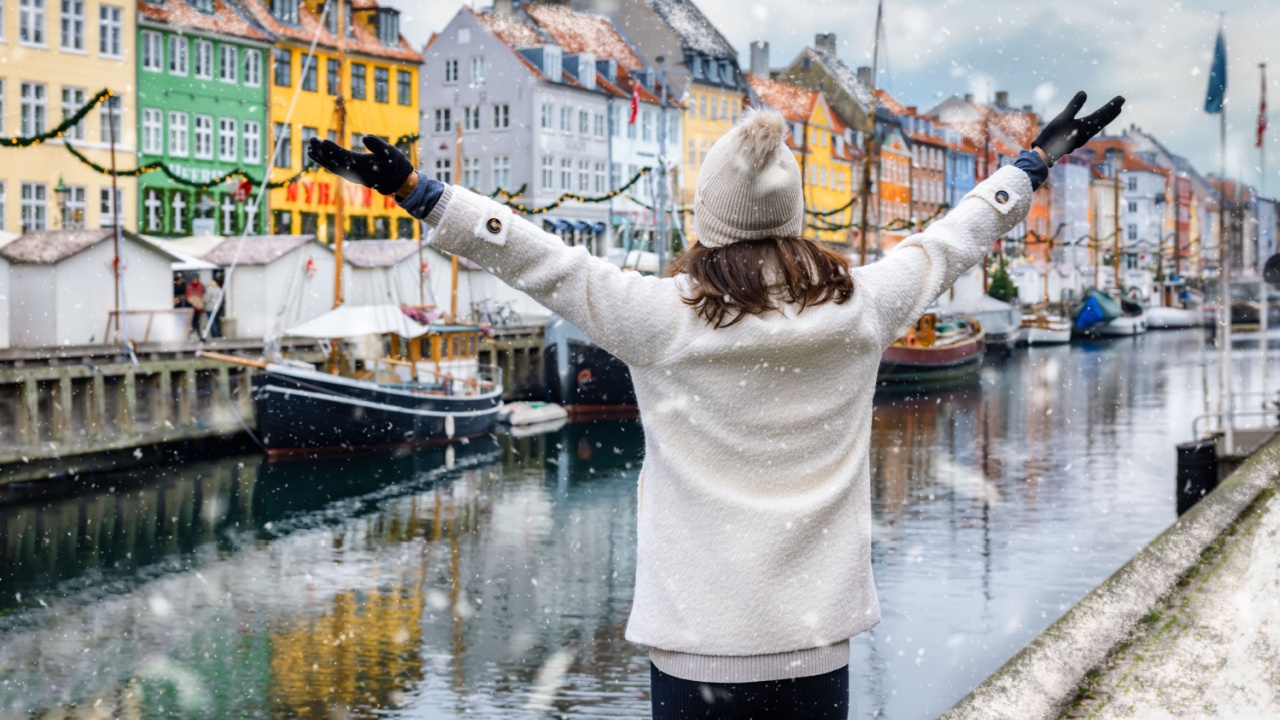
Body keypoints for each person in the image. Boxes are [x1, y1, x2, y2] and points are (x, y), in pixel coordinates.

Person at [309, 90, 1123, 719]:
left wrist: (421, 193)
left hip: (698, 656)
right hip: (813, 647)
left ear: (709, 221)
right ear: (793, 217)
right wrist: (1030, 164)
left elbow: (537, 259)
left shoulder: (661, 318)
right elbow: (953, 239)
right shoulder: (863, 307)